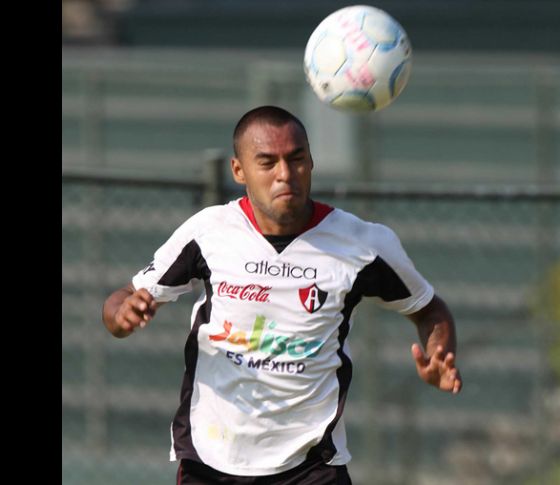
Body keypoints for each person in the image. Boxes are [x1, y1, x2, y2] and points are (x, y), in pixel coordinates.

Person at [102, 105, 462, 484]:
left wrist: (440, 352)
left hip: (310, 466)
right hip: (211, 462)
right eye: (267, 162)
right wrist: (122, 315)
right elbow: (122, 300)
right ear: (238, 171)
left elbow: (428, 309)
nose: (285, 174)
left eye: (296, 159)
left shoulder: (363, 244)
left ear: (311, 162)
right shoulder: (208, 232)